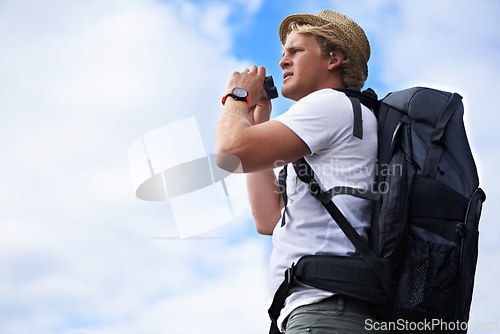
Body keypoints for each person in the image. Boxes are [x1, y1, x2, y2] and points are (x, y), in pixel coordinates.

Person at [215, 9, 385, 334]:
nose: (283, 61)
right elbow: (268, 220)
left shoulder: (329, 105)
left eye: (296, 50)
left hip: (324, 312)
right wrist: (256, 125)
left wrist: (236, 97)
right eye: (283, 53)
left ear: (334, 58)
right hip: (323, 310)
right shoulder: (347, 113)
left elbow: (229, 152)